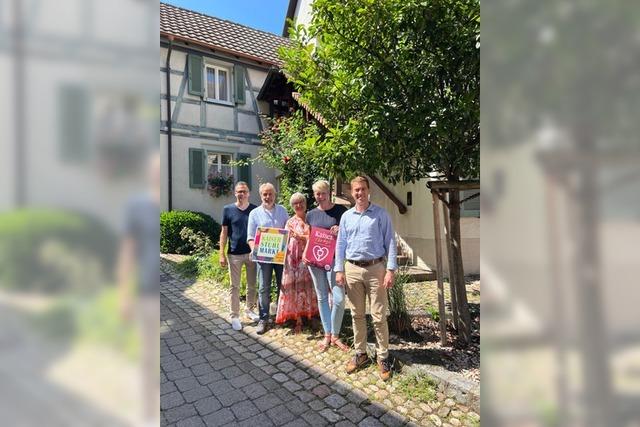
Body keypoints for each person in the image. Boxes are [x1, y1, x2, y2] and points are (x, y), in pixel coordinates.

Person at [335, 176, 397, 381]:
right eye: (356, 190)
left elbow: (390, 241)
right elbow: (341, 244)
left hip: (375, 269)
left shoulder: (380, 214)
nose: (359, 193)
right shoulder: (346, 217)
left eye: (362, 189)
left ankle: (383, 357)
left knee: (379, 316)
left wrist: (390, 270)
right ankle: (361, 353)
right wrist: (339, 269)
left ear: (368, 191)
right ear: (352, 193)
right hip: (352, 269)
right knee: (357, 314)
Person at [304, 180, 349, 352]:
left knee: (338, 298)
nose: (320, 196)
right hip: (315, 262)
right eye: (317, 193)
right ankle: (328, 334)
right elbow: (310, 237)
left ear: (329, 193)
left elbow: (347, 235)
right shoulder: (311, 214)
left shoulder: (340, 211)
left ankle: (335, 334)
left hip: (334, 261)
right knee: (322, 297)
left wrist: (340, 231)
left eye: (323, 193)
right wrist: (305, 254)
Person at [247, 182, 289, 334]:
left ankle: (280, 316)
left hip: (280, 256)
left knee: (282, 285)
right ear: (261, 195)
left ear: (274, 195)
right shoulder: (254, 213)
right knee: (264, 287)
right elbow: (251, 237)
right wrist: (255, 250)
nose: (267, 197)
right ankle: (263, 318)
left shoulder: (283, 211)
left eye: (270, 193)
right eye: (265, 194)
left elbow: (288, 231)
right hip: (263, 258)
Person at [276, 193, 319, 333]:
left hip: (309, 259)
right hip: (293, 260)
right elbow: (283, 242)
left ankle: (312, 315)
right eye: (295, 203)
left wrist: (302, 237)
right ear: (292, 206)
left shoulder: (312, 219)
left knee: (310, 287)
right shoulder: (289, 222)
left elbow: (316, 237)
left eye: (301, 202)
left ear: (305, 204)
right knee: (296, 288)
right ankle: (298, 319)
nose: (299, 205)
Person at [219, 181, 258, 331]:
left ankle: (250, 310)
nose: (241, 194)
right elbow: (224, 233)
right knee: (234, 286)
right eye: (239, 191)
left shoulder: (255, 210)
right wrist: (221, 253)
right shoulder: (227, 210)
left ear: (248, 193)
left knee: (252, 285)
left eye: (244, 191)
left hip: (251, 253)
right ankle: (234, 316)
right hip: (234, 254)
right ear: (235, 193)